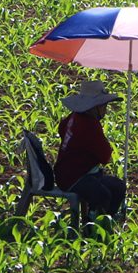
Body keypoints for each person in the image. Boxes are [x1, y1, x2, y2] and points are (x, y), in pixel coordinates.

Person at [54, 80, 126, 221]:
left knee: (117, 186)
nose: (105, 110)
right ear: (95, 107)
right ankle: (93, 226)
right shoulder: (89, 125)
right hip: (75, 177)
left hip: (68, 173)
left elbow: (62, 128)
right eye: (104, 106)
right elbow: (105, 156)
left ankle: (105, 221)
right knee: (102, 195)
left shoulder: (73, 117)